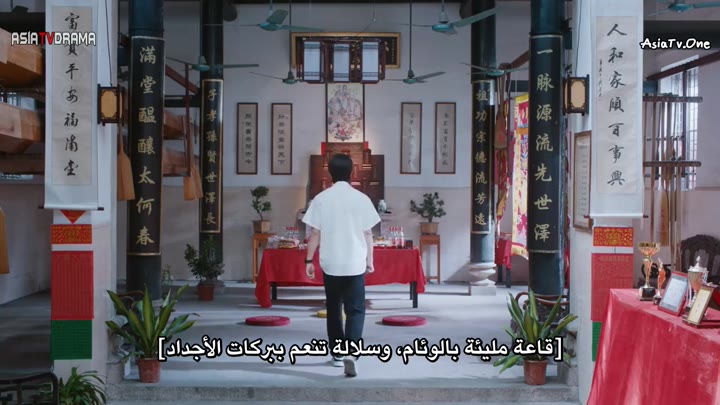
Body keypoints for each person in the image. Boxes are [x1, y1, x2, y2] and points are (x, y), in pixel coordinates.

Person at [301, 153, 381, 377]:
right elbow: (368, 233)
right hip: (355, 262)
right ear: (352, 172)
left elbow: (315, 233)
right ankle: (352, 353)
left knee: (334, 307)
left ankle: (337, 354)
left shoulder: (321, 199)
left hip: (331, 262)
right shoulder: (361, 199)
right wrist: (370, 260)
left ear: (330, 173)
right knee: (356, 309)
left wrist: (309, 260)